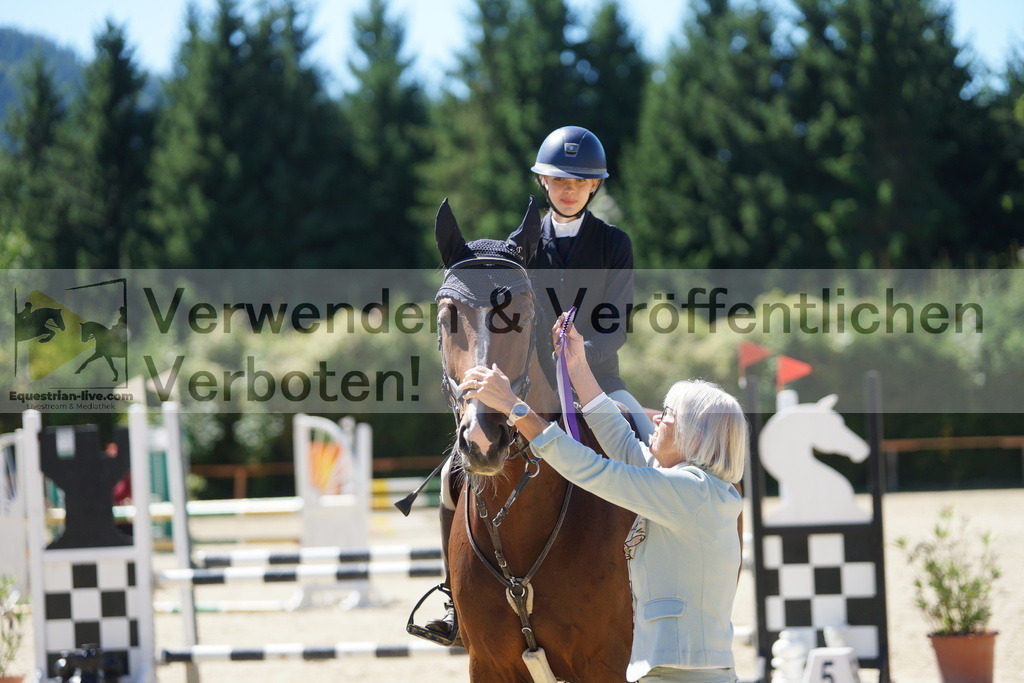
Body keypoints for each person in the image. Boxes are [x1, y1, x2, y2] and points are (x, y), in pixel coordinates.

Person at [417, 125, 654, 646]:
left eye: (580, 181)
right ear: (544, 182)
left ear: (595, 186)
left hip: (599, 383)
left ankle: (651, 584)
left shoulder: (614, 244)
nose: (569, 189)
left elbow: (615, 325)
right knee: (454, 475)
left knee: (647, 445)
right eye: (559, 180)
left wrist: (578, 363)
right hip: (526, 387)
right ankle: (456, 598)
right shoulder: (518, 248)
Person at [460, 314, 748, 683]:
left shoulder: (690, 492)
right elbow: (622, 442)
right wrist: (577, 366)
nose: (656, 419)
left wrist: (515, 408)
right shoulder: (692, 489)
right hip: (675, 671)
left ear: (695, 436)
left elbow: (593, 471)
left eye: (669, 414)